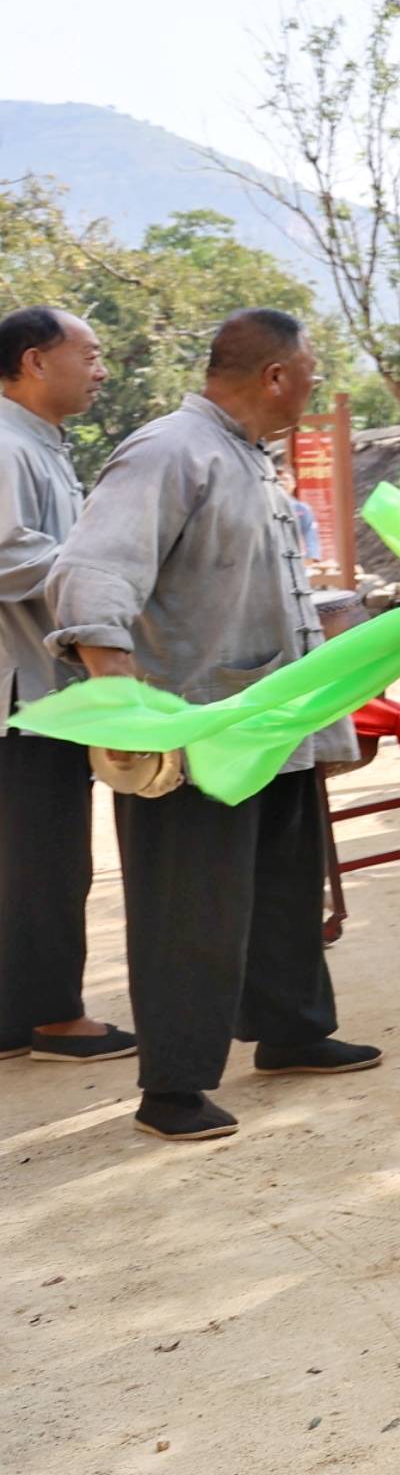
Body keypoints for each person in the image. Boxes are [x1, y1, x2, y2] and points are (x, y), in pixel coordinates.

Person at [52, 310, 379, 1142]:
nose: (311, 386)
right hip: (196, 733)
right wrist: (121, 708)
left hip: (272, 722)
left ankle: (292, 1030)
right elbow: (92, 573)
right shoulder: (170, 450)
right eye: (308, 370)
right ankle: (174, 1086)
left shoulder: (247, 458)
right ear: (276, 375)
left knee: (281, 884)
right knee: (188, 907)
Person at [0, 307, 138, 1066]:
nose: (101, 368)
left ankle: (16, 1012)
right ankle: (52, 1016)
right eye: (88, 353)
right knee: (46, 858)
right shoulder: (5, 443)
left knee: (28, 858)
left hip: (36, 681)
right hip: (23, 691)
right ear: (33, 360)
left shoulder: (38, 444)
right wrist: (105, 566)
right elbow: (7, 555)